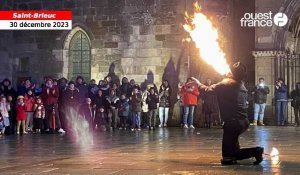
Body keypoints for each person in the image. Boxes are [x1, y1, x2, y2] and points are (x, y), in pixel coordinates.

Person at [193, 62, 264, 165]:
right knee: (232, 152)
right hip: (243, 122)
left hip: (233, 123)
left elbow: (208, 90)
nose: (227, 71)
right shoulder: (240, 84)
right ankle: (254, 152)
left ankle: (256, 151)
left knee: (228, 157)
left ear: (233, 74)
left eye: (230, 70)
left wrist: (198, 84)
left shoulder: (226, 83)